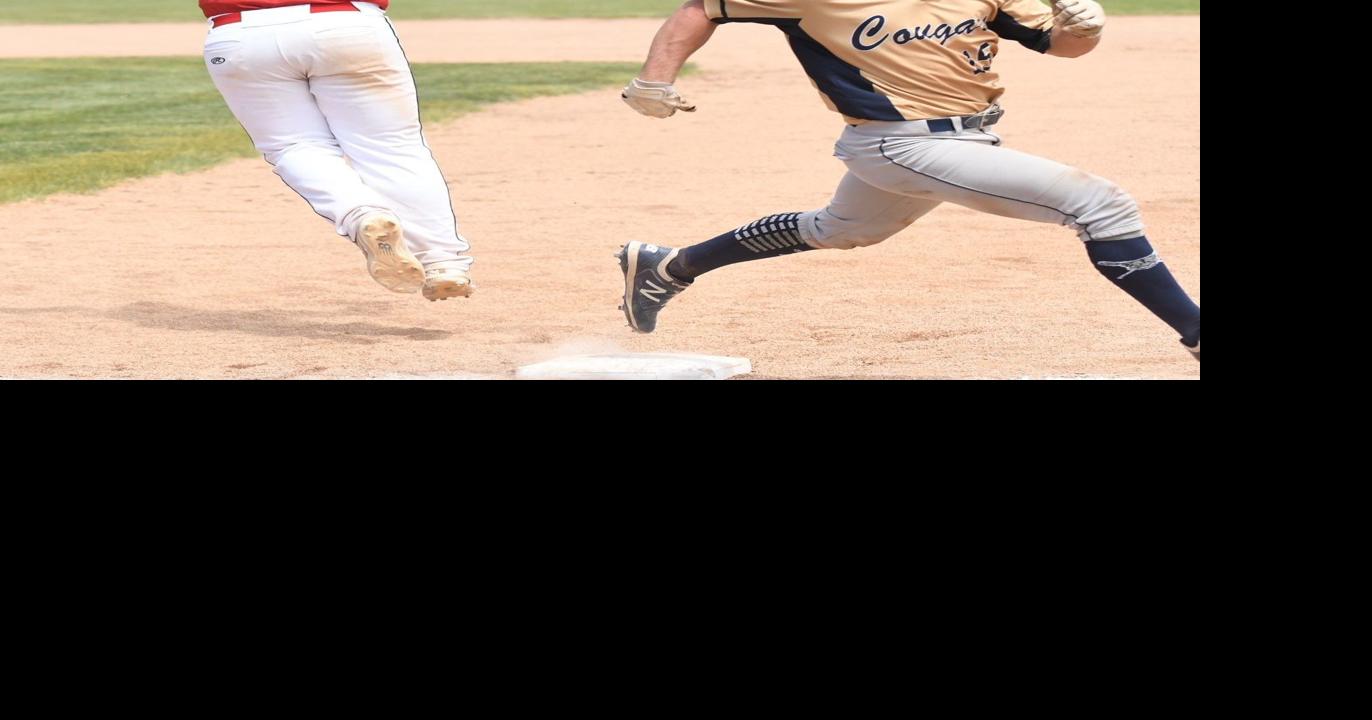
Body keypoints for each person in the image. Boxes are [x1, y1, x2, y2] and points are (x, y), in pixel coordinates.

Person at [617, 0, 1200, 362]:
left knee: (839, 229)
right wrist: (654, 78)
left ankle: (670, 265)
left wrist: (1086, 27)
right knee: (1102, 206)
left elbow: (1062, 45)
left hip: (966, 139)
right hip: (898, 143)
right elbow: (703, 7)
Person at [201, 0, 473, 301]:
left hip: (239, 35)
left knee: (295, 146)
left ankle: (361, 214)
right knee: (391, 147)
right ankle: (442, 263)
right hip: (345, 24)